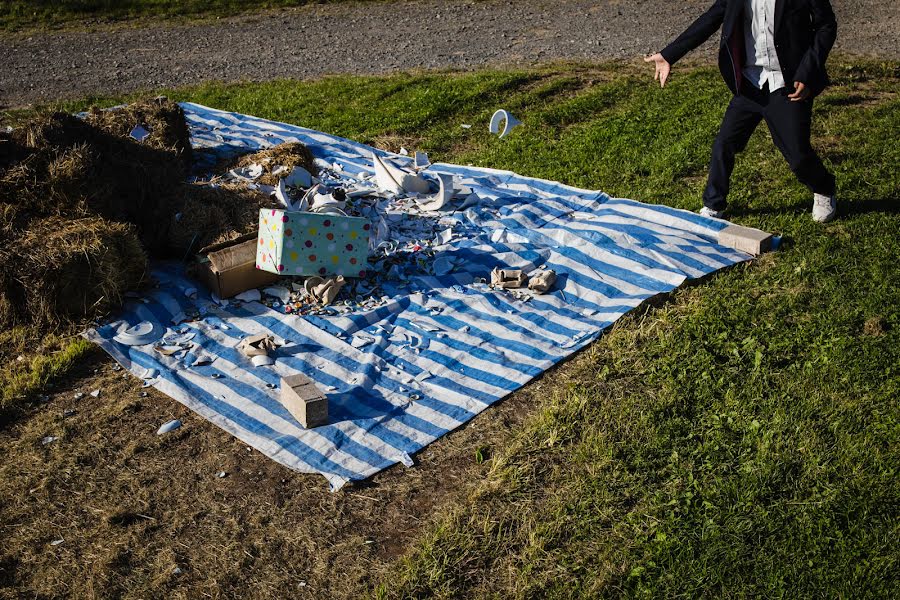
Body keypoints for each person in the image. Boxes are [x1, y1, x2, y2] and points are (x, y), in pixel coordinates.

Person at [645, 0, 838, 222]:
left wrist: (807, 72)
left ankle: (824, 188)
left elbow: (826, 26)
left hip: (788, 84)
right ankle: (713, 205)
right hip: (750, 83)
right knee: (724, 143)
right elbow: (712, 18)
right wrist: (669, 55)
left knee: (797, 155)